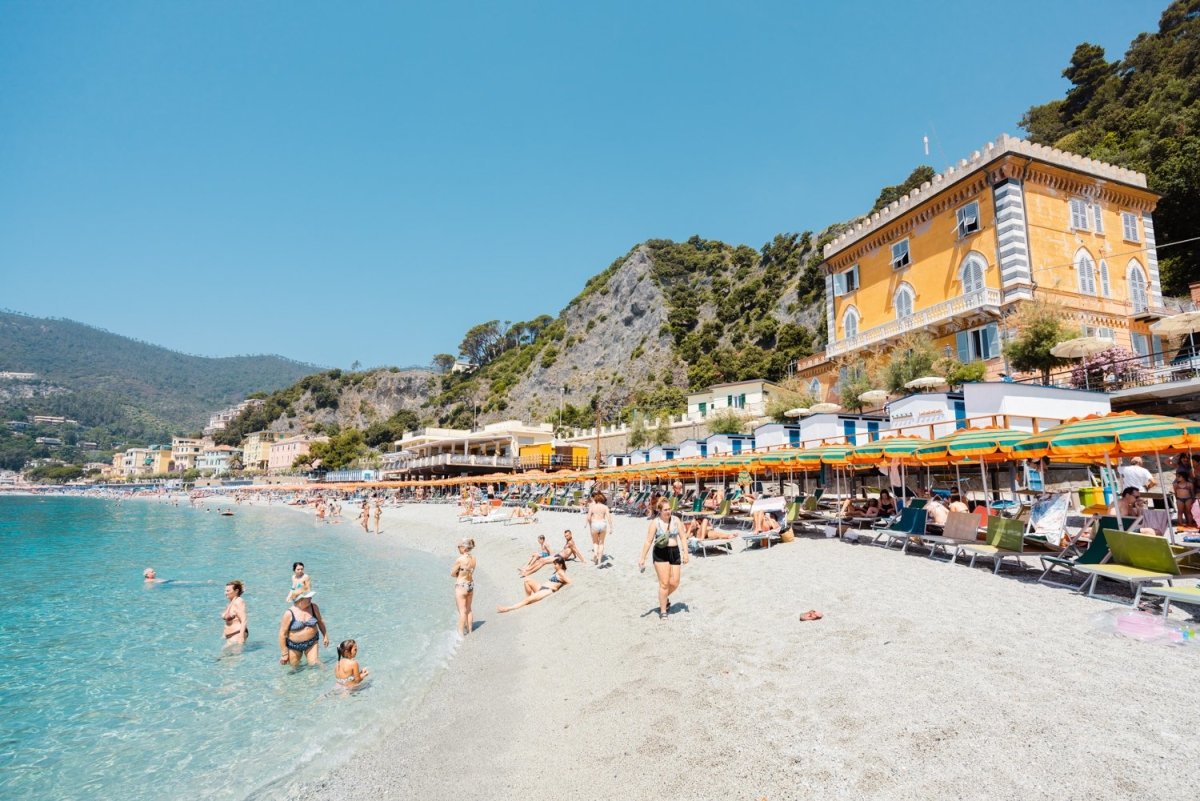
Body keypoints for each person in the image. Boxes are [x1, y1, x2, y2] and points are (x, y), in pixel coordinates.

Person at [638, 501, 688, 620]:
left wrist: (685, 553)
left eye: (669, 509)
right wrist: (642, 557)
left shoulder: (676, 520)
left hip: (674, 552)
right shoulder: (655, 523)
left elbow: (683, 537)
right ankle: (663, 610)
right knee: (664, 583)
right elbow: (648, 541)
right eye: (665, 510)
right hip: (660, 553)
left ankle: (663, 597)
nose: (668, 512)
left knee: (675, 582)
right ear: (659, 510)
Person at [497, 557, 571, 613]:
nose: (554, 566)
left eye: (555, 564)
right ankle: (529, 599)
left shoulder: (561, 573)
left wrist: (558, 587)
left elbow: (569, 582)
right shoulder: (557, 571)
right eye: (554, 564)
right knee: (527, 580)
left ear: (561, 565)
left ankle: (508, 608)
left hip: (547, 590)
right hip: (541, 588)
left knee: (528, 600)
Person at [278, 592, 328, 666]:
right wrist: (284, 654)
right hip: (294, 646)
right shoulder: (289, 613)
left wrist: (325, 636)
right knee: (294, 668)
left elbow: (320, 622)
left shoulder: (314, 607)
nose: (311, 598)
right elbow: (282, 634)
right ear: (300, 599)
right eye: (308, 597)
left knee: (314, 664)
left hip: (312, 642)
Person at [520, 531, 585, 576]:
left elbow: (576, 551)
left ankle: (528, 573)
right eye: (565, 536)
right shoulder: (568, 541)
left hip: (559, 557)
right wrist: (574, 557)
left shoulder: (571, 543)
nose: (566, 537)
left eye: (567, 535)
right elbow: (572, 551)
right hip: (557, 555)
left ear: (571, 534)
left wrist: (583, 560)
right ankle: (527, 569)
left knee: (543, 562)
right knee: (540, 560)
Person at [451, 538, 476, 637]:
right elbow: (472, 571)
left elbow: (452, 573)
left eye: (459, 546)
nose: (458, 548)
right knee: (469, 609)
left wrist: (459, 574)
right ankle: (470, 630)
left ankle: (460, 634)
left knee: (462, 611)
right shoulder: (474, 558)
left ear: (464, 547)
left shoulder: (460, 559)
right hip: (470, 585)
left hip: (461, 586)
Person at [586, 492, 614, 566]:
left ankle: (595, 554)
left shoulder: (592, 507)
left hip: (594, 523)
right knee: (601, 543)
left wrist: (590, 525)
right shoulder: (605, 507)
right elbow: (609, 517)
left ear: (595, 499)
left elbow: (588, 517)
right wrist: (611, 527)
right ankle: (599, 561)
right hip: (603, 524)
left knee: (595, 542)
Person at [221, 580, 248, 646]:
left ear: (236, 591)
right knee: (225, 656)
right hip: (231, 637)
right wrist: (224, 634)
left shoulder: (239, 601)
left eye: (228, 591)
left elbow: (244, 620)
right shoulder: (230, 603)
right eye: (225, 591)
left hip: (237, 635)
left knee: (226, 656)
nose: (225, 593)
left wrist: (241, 637)